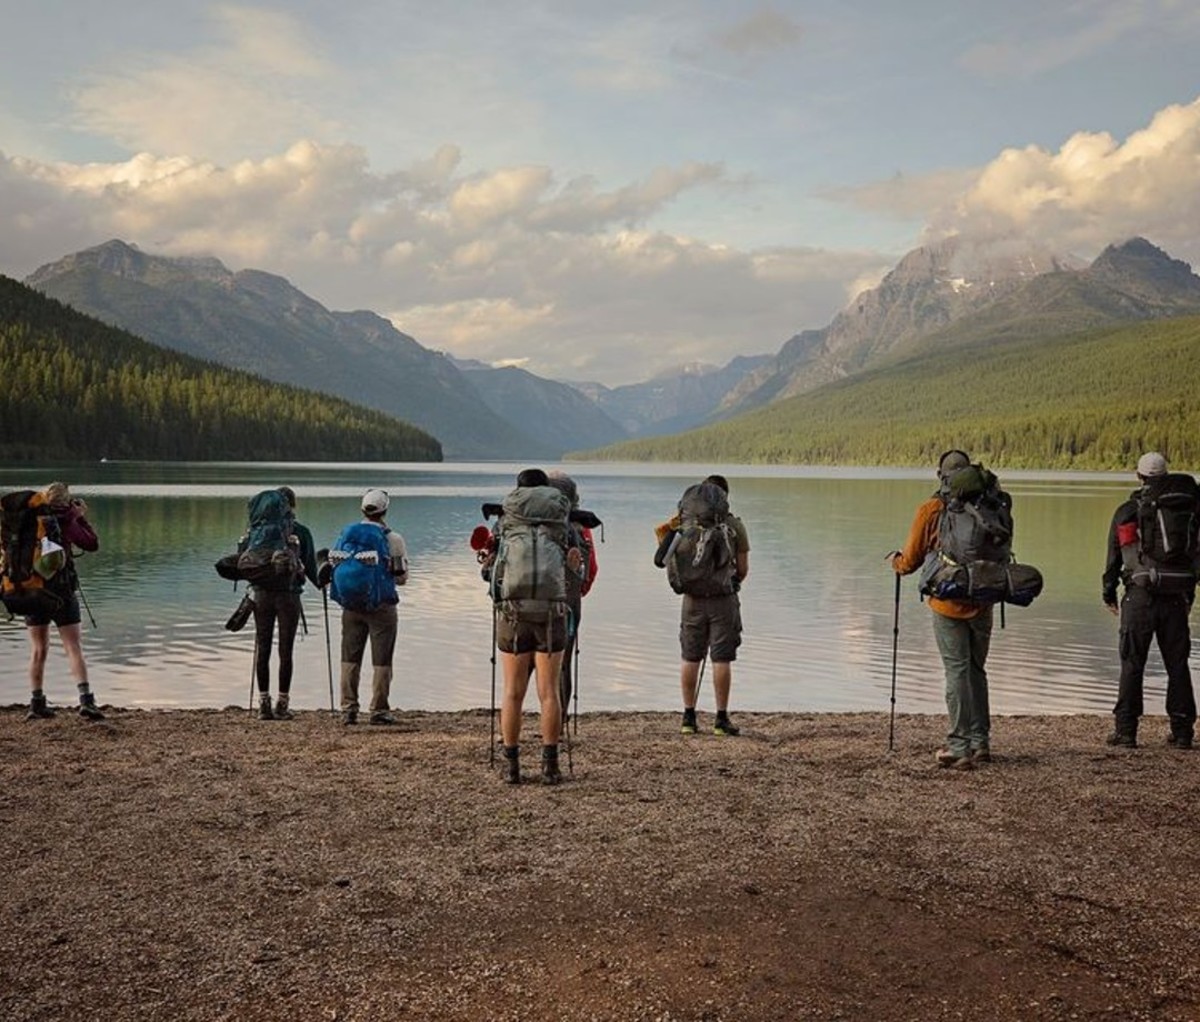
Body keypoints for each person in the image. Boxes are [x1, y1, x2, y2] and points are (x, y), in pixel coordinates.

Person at [891, 450, 992, 770]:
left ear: (941, 475)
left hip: (948, 602)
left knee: (957, 671)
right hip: (984, 597)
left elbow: (909, 561)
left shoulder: (932, 508)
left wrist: (895, 562)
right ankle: (980, 742)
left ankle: (959, 746)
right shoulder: (992, 504)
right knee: (976, 669)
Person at [489, 468, 582, 784]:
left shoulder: (504, 523)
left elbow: (491, 573)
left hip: (513, 614)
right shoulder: (563, 524)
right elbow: (574, 574)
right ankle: (550, 766)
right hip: (552, 613)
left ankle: (513, 767)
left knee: (513, 692)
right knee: (549, 693)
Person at [1101, 452, 1198, 749]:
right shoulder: (1189, 509)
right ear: (1165, 475)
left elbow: (1115, 557)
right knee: (1178, 664)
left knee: (1132, 662)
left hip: (1139, 596)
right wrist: (1188, 594)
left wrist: (1108, 592)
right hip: (1176, 595)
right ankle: (1182, 732)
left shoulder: (1129, 510)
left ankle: (1126, 732)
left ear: (1139, 476)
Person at [658, 474, 750, 737]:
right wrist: (728, 581)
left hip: (691, 600)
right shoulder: (734, 526)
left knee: (690, 656)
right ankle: (721, 719)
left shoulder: (682, 525)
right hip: (723, 599)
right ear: (724, 498)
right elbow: (742, 569)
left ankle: (688, 718)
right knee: (721, 658)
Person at [323, 488, 408, 726]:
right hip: (382, 606)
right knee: (382, 659)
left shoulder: (346, 535)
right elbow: (402, 579)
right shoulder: (394, 539)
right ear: (385, 511)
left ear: (362, 509)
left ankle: (348, 708)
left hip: (351, 605)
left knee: (350, 656)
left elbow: (334, 567)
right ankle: (378, 710)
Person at [24, 482, 104, 721]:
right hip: (62, 591)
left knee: (38, 649)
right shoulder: (68, 520)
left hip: (34, 592)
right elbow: (92, 544)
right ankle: (86, 701)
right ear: (67, 502)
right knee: (73, 647)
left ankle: (36, 702)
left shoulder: (32, 522)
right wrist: (79, 518)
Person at [248, 486, 318, 721]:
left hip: (262, 595)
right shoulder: (301, 532)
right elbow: (311, 570)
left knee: (263, 648)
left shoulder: (256, 531)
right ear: (292, 506)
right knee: (285, 651)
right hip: (289, 596)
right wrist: (326, 582)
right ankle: (282, 703)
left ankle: (263, 704)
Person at [545, 471, 598, 727]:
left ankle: (512, 724)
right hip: (568, 602)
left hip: (528, 600)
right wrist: (578, 591)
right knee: (562, 663)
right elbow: (592, 570)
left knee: (525, 663)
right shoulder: (581, 527)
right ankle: (560, 720)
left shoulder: (526, 522)